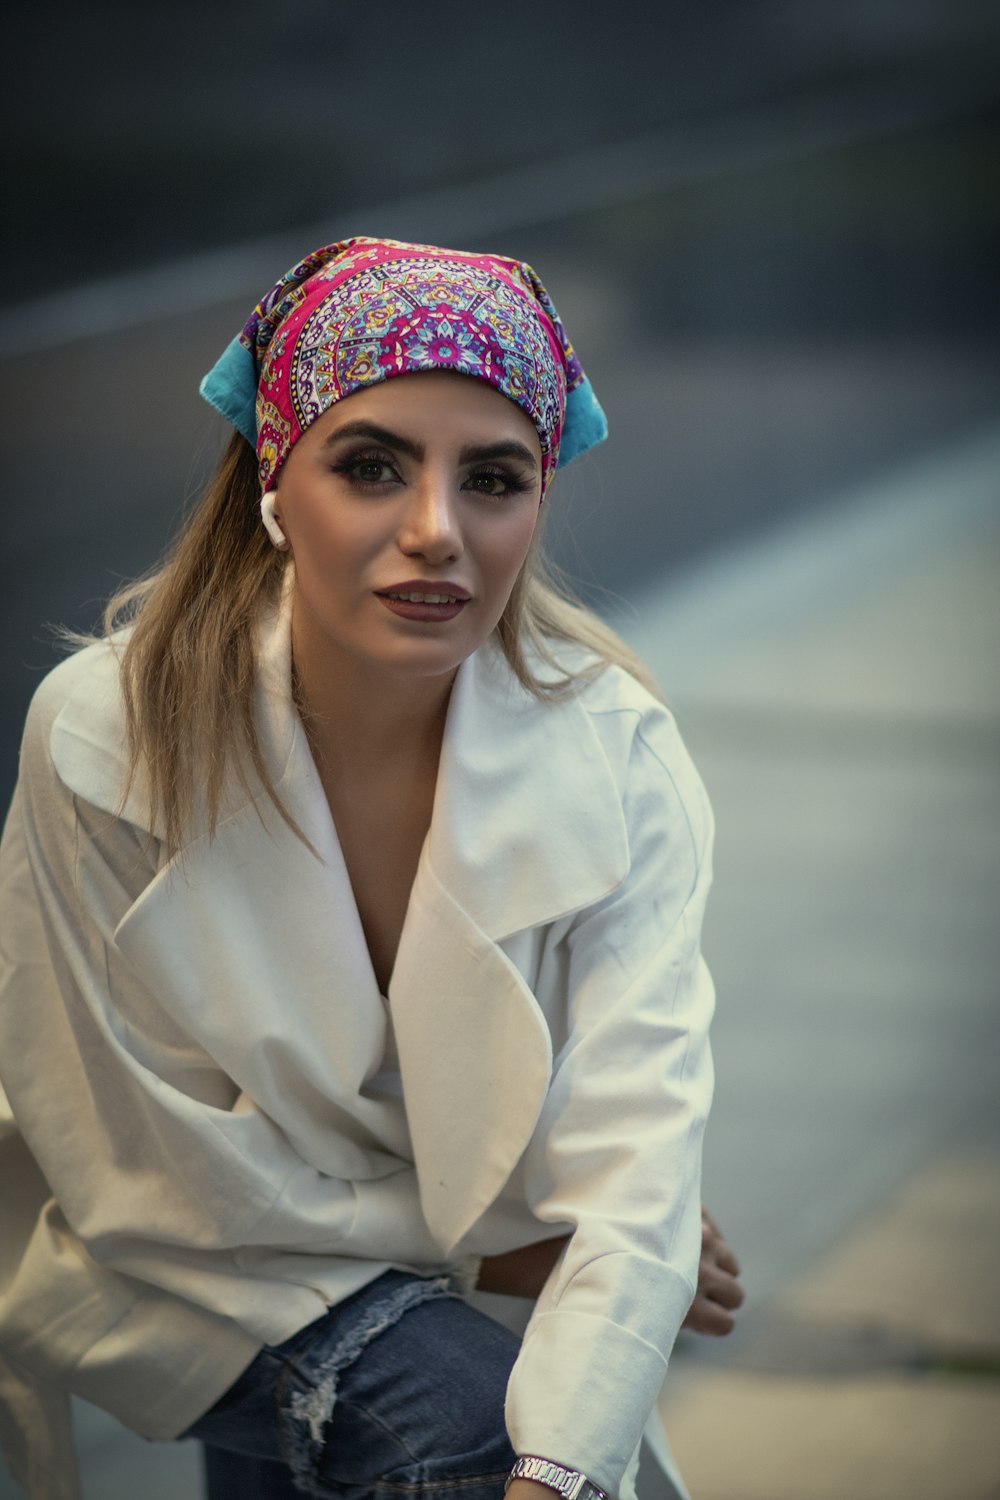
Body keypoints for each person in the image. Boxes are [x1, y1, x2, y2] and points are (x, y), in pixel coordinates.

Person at [0, 236, 742, 1500]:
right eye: (372, 466)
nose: (435, 530)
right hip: (180, 1272)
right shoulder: (105, 733)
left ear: (538, 506)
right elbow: (152, 1178)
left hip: (373, 1260)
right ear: (274, 487)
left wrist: (565, 1458)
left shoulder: (618, 754)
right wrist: (499, 1251)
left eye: (493, 478)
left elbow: (638, 1166)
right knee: (461, 1432)